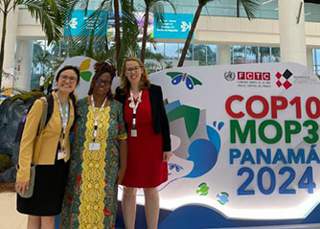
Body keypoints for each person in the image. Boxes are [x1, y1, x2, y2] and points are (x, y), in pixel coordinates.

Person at [61, 61, 127, 228]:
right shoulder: (80, 105)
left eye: (107, 82)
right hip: (80, 167)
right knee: (77, 205)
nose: (104, 85)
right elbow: (67, 133)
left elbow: (123, 139)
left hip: (108, 168)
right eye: (101, 81)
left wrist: (123, 168)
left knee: (104, 206)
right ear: (93, 81)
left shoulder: (117, 108)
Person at [15, 65, 80, 229]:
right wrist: (23, 172)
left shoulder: (72, 104)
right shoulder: (42, 104)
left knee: (42, 214)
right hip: (40, 168)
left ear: (76, 83)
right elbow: (26, 140)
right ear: (57, 80)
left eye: (72, 79)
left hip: (59, 166)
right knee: (42, 216)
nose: (68, 81)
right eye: (64, 77)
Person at [115, 57, 172, 229]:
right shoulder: (120, 93)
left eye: (135, 68)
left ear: (142, 69)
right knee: (129, 189)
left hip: (152, 145)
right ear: (124, 73)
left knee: (151, 188)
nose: (132, 72)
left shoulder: (154, 91)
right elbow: (116, 121)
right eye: (128, 69)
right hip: (129, 147)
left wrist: (167, 147)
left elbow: (163, 119)